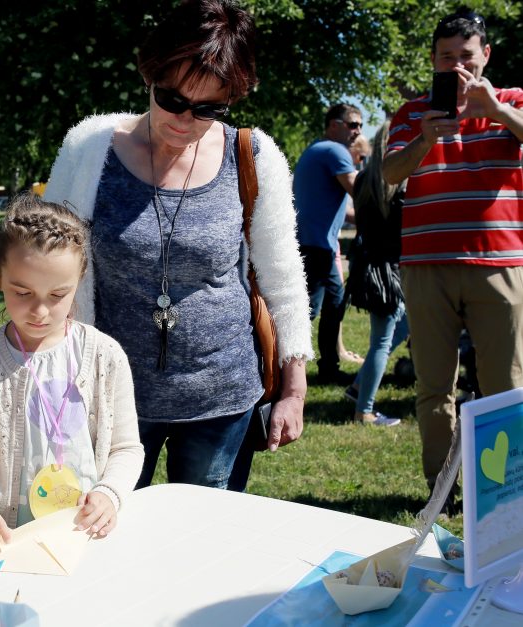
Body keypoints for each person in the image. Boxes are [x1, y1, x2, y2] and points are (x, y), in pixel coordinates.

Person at [44, 0, 312, 493]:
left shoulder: (253, 156)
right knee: (109, 540)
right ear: (150, 75)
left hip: (222, 401)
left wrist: (293, 388)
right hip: (109, 399)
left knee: (205, 543)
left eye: (210, 108)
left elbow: (282, 275)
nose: (185, 120)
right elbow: (48, 269)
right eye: (171, 99)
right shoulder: (89, 150)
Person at [0, 195, 144, 548]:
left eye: (57, 295)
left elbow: (127, 448)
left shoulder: (105, 356)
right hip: (10, 541)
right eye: (22, 292)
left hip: (86, 536)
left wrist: (110, 493)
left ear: (78, 280)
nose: (40, 311)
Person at [382, 7, 523, 506]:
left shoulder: (513, 101)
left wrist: (498, 111)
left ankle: (504, 492)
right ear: (434, 61)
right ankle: (443, 491)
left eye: (467, 56)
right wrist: (424, 138)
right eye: (447, 58)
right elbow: (391, 173)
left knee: (504, 388)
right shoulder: (412, 113)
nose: (457, 67)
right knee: (433, 386)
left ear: (486, 54)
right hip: (427, 267)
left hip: (499, 264)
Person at [344, 122, 409, 427]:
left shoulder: (363, 181)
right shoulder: (400, 186)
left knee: (404, 325)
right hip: (389, 272)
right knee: (382, 341)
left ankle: (359, 386)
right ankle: (364, 410)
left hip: (369, 266)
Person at [293, 104, 362, 384]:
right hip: (315, 245)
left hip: (313, 242)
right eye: (352, 124)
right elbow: (360, 190)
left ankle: (328, 368)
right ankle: (282, 371)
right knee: (308, 311)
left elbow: (344, 210)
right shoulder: (335, 152)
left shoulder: (317, 150)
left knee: (333, 302)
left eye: (359, 125)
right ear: (334, 125)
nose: (357, 130)